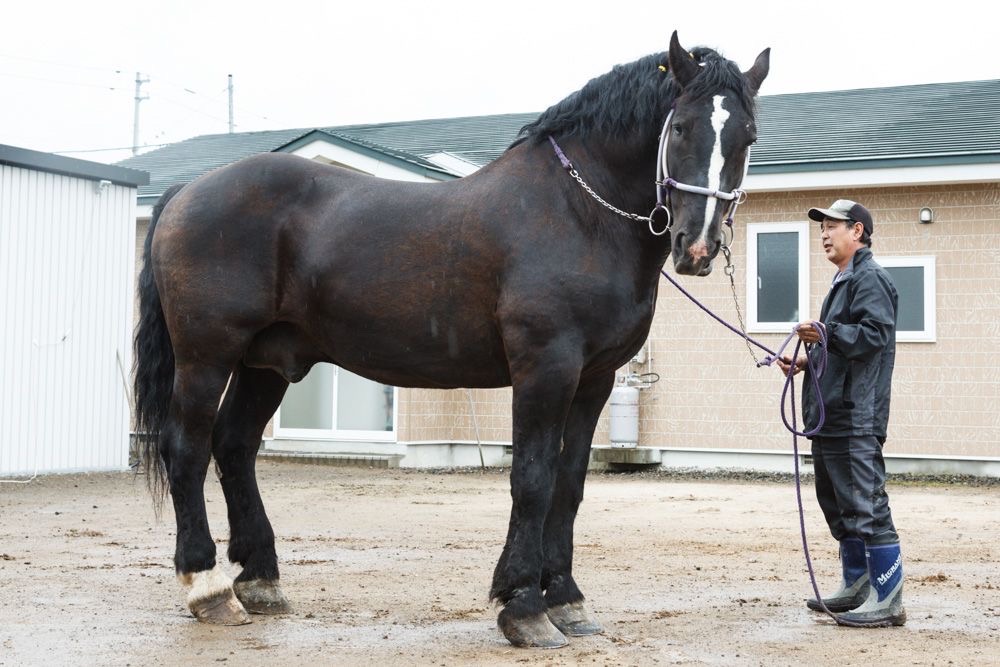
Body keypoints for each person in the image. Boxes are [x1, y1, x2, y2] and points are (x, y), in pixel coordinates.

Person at [777, 199, 905, 627]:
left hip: (856, 417)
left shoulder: (870, 278)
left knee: (867, 506)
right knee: (839, 506)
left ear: (858, 231)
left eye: (832, 226)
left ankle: (888, 598)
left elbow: (874, 337)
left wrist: (825, 332)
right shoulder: (844, 280)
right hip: (831, 416)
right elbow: (844, 347)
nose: (824, 235)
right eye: (821, 229)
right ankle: (857, 584)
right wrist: (806, 360)